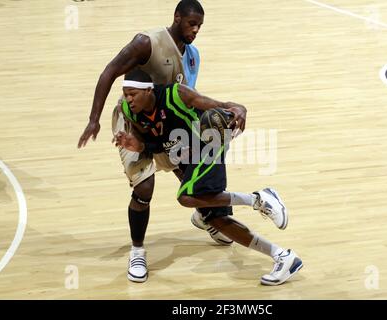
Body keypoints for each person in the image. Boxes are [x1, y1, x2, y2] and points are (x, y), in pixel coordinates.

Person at [77, 0, 232, 282]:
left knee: (195, 178)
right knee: (144, 187)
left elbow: (188, 98)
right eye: (191, 24)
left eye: (199, 25)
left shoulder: (193, 54)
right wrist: (94, 118)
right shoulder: (147, 42)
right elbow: (109, 71)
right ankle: (137, 251)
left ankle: (206, 217)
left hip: (166, 125)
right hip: (134, 124)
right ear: (177, 18)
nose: (196, 30)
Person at [114, 68, 303, 286]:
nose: (128, 99)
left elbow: (220, 106)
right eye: (125, 94)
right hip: (187, 155)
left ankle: (258, 199)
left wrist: (240, 108)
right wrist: (141, 145)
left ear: (148, 91)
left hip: (209, 142)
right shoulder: (131, 111)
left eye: (132, 94)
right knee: (215, 218)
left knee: (185, 197)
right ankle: (284, 257)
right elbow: (161, 143)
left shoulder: (177, 94)